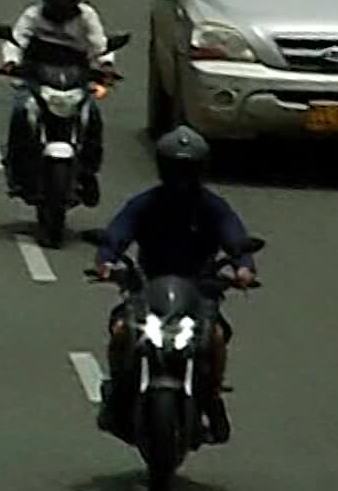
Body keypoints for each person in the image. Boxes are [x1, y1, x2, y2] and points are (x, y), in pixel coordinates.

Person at [91, 127, 257, 445]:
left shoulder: (212, 207)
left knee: (217, 337)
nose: (182, 176)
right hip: (146, 288)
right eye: (176, 168)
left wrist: (243, 269)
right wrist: (106, 260)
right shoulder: (145, 204)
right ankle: (116, 393)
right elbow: (118, 232)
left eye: (189, 169)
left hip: (199, 291)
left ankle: (212, 397)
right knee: (121, 329)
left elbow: (235, 237)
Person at [0, 0, 110, 201]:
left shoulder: (86, 17)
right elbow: (17, 40)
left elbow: (100, 45)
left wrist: (105, 66)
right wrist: (11, 62)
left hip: (74, 80)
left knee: (93, 118)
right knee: (20, 113)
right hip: (37, 80)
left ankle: (88, 172)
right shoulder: (33, 15)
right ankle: (17, 170)